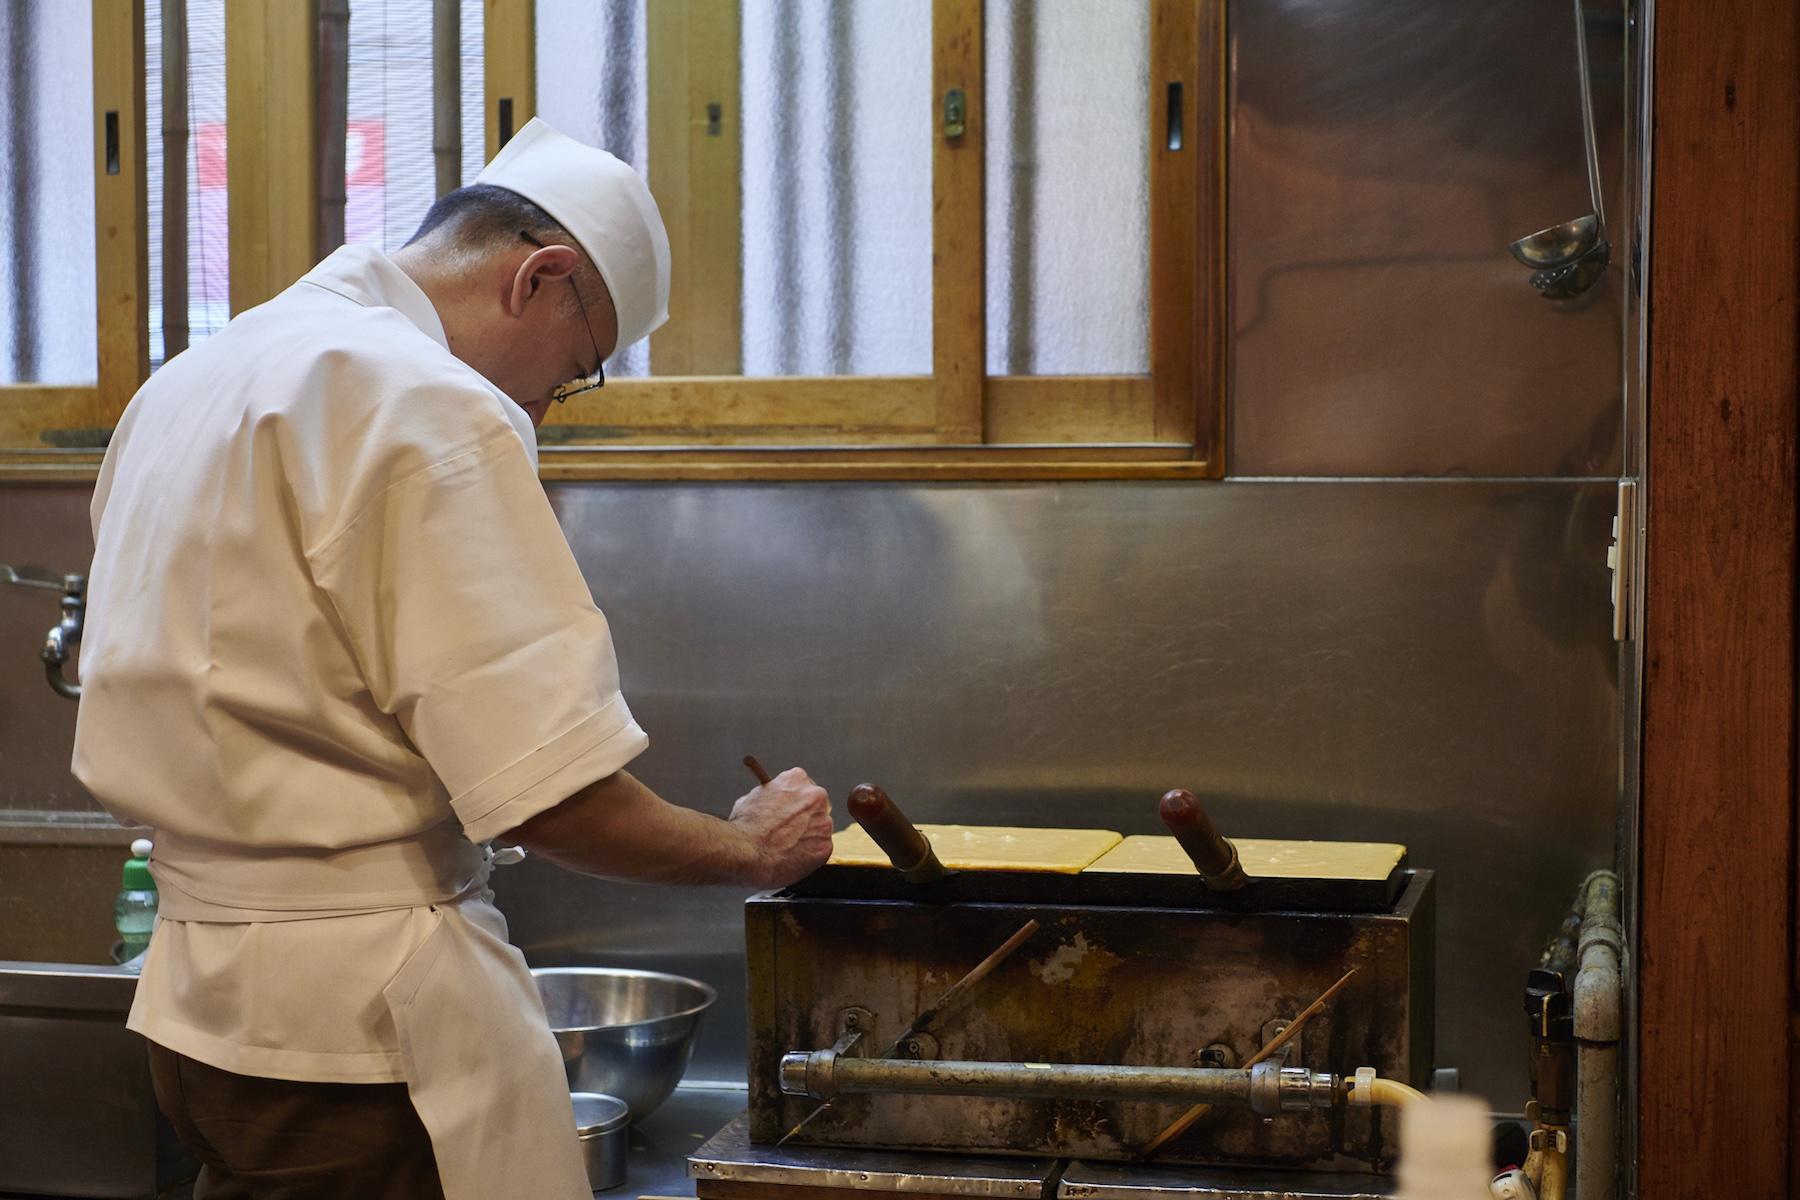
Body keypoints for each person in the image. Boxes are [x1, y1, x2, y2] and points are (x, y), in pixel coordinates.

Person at [70, 118, 835, 1199]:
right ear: (542, 277)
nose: (541, 408)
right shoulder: (428, 405)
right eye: (572, 373)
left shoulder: (195, 379)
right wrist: (746, 852)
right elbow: (548, 798)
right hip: (360, 1038)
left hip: (201, 1018)